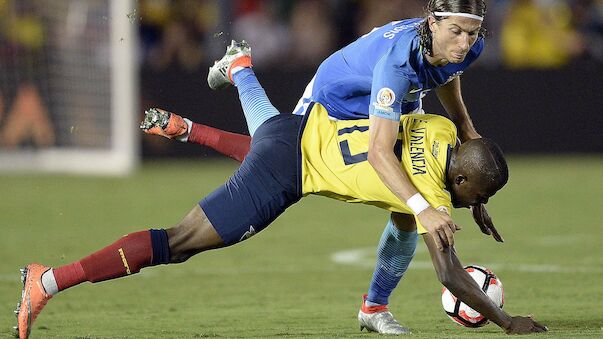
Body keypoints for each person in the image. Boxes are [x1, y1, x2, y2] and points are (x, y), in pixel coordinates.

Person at [15, 47, 547, 338]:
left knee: (404, 219)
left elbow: (457, 167)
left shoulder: (441, 130)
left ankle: (372, 308)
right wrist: (508, 323)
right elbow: (451, 273)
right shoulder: (432, 189)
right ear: (456, 181)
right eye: (469, 194)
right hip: (286, 166)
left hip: (301, 127)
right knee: (179, 242)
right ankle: (49, 280)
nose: (461, 202)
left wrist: (472, 198)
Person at [203, 0, 497, 333]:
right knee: (272, 147)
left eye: (471, 34)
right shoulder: (399, 62)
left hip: (395, 96)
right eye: (456, 32)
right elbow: (378, 153)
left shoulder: (466, 43)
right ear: (432, 24)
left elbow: (445, 68)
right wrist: (424, 208)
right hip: (337, 96)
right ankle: (240, 68)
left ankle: (374, 307)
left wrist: (467, 135)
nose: (464, 42)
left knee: (406, 208)